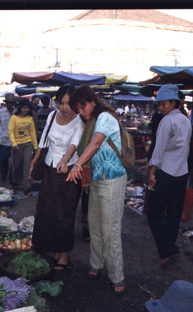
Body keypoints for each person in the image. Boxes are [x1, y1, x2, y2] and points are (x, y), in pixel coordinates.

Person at [66, 85, 127, 295]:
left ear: (92, 101)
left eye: (82, 107)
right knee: (95, 225)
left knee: (110, 229)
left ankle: (117, 275)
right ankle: (97, 264)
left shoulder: (105, 118)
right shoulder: (91, 121)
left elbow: (96, 143)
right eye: (78, 109)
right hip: (97, 179)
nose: (81, 112)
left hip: (112, 179)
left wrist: (77, 165)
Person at [29, 84, 84, 271]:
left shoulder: (79, 122)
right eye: (61, 103)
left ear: (75, 104)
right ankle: (50, 247)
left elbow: (75, 143)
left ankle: (64, 254)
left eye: (68, 104)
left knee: (64, 214)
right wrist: (34, 162)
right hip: (49, 169)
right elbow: (43, 141)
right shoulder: (52, 116)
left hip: (69, 172)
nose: (64, 107)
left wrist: (65, 159)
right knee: (46, 209)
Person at [145, 84, 191, 267]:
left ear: (174, 102)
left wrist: (151, 173)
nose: (162, 108)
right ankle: (170, 249)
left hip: (165, 171)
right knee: (173, 213)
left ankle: (168, 250)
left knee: (153, 212)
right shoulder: (185, 120)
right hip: (181, 172)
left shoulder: (167, 121)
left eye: (164, 104)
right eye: (160, 104)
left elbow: (159, 150)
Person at [8, 99, 38, 194]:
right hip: (16, 145)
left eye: (27, 108)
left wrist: (35, 146)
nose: (25, 109)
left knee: (27, 165)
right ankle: (16, 182)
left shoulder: (30, 119)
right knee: (17, 166)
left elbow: (32, 132)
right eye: (23, 107)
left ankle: (27, 187)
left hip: (27, 144)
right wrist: (14, 143)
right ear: (20, 108)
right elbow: (10, 131)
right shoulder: (14, 118)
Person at [0, 93, 17, 183]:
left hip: (16, 141)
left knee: (15, 161)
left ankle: (12, 178)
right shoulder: (0, 112)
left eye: (12, 103)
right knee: (3, 160)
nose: (11, 104)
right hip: (4, 140)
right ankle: (3, 176)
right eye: (9, 102)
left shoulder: (17, 112)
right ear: (6, 102)